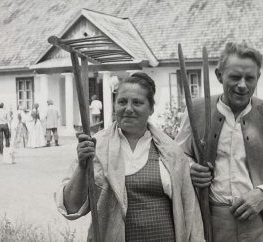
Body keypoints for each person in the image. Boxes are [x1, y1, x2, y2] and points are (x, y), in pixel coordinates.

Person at [55, 72, 204, 241]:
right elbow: (71, 206)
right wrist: (82, 168)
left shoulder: (172, 153)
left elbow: (190, 213)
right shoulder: (95, 147)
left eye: (138, 103)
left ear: (151, 109)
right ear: (114, 105)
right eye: (122, 102)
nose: (128, 109)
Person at [175, 42, 263, 242]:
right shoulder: (197, 110)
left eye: (250, 78)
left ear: (258, 78)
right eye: (235, 77)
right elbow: (177, 156)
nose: (242, 85)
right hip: (212, 224)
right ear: (219, 75)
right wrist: (190, 168)